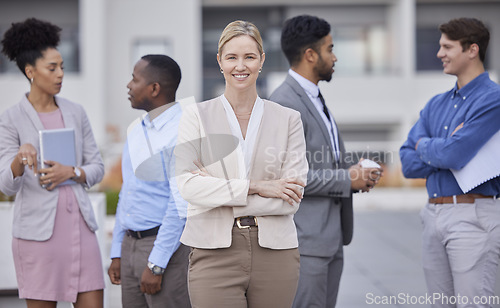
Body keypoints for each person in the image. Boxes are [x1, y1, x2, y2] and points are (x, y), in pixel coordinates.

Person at [174, 20, 309, 308]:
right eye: (232, 57)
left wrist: (215, 195)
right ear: (220, 61)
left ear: (261, 60)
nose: (241, 65)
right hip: (213, 252)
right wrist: (260, 187)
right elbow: (187, 186)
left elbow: (291, 198)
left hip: (276, 252)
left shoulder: (289, 120)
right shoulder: (195, 117)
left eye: (249, 56)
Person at [269, 15, 382, 308]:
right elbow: (289, 177)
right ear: (310, 54)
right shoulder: (284, 101)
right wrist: (348, 178)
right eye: (330, 48)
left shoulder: (313, 96)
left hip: (330, 239)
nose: (335, 57)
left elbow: (321, 164)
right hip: (305, 244)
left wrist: (356, 177)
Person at [0, 18, 105, 308]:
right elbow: (6, 184)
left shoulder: (76, 111)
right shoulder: (10, 119)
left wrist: (72, 172)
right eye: (52, 68)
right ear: (30, 71)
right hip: (37, 238)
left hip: (80, 231)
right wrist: (20, 158)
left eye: (62, 67)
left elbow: (96, 167)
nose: (60, 74)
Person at [400, 18, 500, 307]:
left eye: (447, 46)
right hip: (434, 213)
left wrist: (426, 146)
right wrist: (441, 149)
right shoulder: (435, 104)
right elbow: (408, 163)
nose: (439, 53)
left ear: (472, 50)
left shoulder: (493, 100)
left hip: (473, 215)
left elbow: (452, 155)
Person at [108, 55, 190, 308]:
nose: (128, 86)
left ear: (154, 88)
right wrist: (117, 253)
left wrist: (156, 263)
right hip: (130, 247)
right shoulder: (137, 129)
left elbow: (181, 206)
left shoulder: (182, 131)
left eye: (135, 79)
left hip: (164, 248)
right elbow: (128, 192)